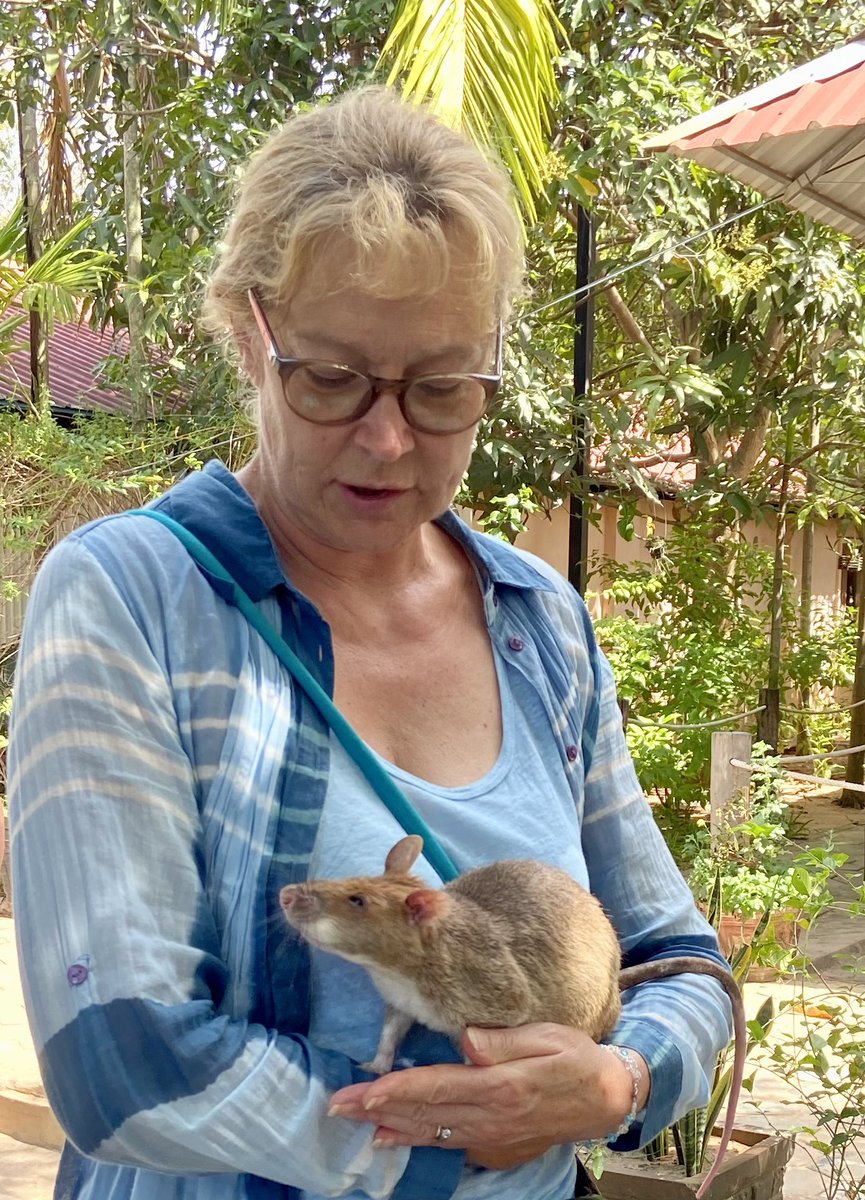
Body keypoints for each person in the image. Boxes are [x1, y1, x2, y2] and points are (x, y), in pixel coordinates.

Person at [8, 86, 732, 1200]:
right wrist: (464, 1141)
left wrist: (620, 1081)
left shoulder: (539, 620)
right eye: (331, 378)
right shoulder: (130, 598)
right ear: (250, 332)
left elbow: (676, 959)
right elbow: (123, 1060)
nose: (388, 438)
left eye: (441, 389)